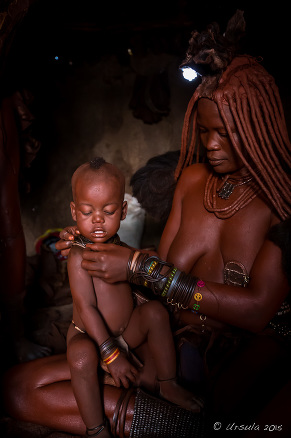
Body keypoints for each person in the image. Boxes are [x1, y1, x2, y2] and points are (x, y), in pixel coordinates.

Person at [3, 10, 291, 437]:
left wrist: (138, 266)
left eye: (225, 133)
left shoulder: (281, 207)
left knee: (244, 420)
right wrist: (97, 249)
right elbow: (161, 271)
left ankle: (159, 421)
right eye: (205, 130)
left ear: (256, 127)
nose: (210, 144)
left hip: (243, 360)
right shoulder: (193, 182)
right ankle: (160, 419)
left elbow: (255, 311)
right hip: (166, 344)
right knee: (16, 390)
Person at [66, 156, 202, 437]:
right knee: (79, 356)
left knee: (155, 313)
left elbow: (138, 281)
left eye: (109, 210)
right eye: (87, 212)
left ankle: (169, 382)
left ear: (124, 210)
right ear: (73, 211)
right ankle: (95, 428)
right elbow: (86, 306)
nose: (98, 220)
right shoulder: (77, 256)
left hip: (127, 332)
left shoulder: (121, 249)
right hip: (92, 339)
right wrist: (110, 353)